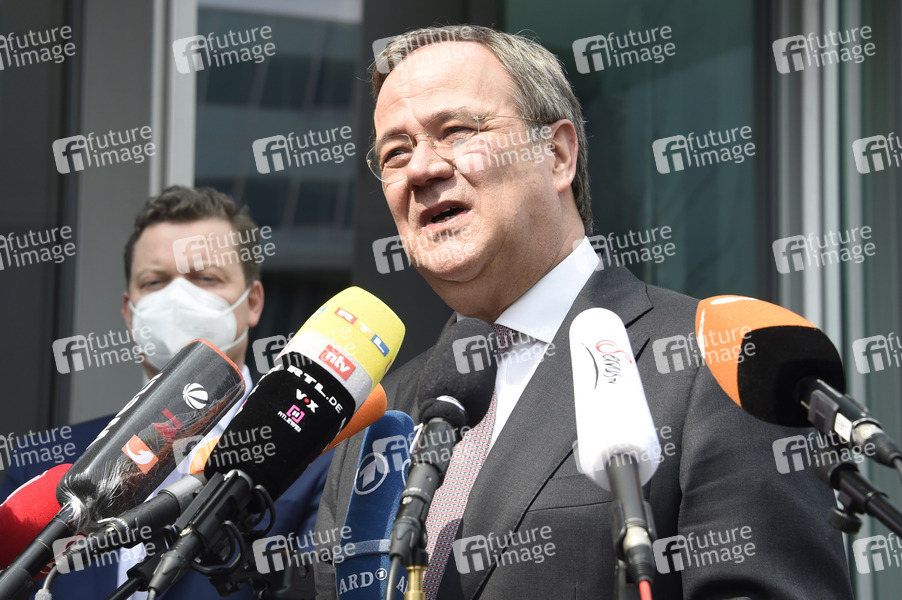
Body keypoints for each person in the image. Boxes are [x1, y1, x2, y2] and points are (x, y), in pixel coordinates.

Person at [313, 25, 854, 599]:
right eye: (395, 153)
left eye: (457, 131)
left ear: (557, 154)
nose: (422, 169)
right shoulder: (378, 418)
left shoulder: (718, 363)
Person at [0, 186, 330, 599]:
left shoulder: (314, 461)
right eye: (155, 281)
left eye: (205, 278)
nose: (178, 299)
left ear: (253, 303)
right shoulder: (44, 467)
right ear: (129, 312)